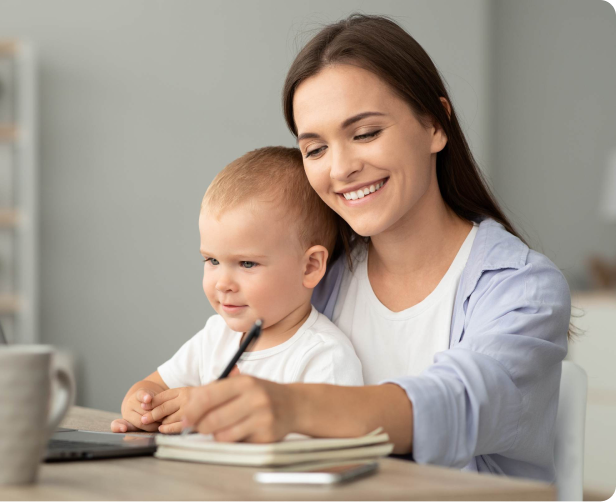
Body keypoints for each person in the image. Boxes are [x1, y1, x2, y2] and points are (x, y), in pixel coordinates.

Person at [181, 14, 570, 483]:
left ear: (435, 126)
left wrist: (294, 406)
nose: (341, 168)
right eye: (316, 149)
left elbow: (460, 401)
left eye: (365, 133)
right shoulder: (318, 276)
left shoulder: (522, 287)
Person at [111, 146, 363, 434]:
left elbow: (334, 448)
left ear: (309, 267)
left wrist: (207, 412)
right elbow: (154, 384)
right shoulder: (216, 336)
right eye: (213, 260)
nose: (223, 283)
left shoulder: (324, 357)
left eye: (246, 263)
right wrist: (144, 407)